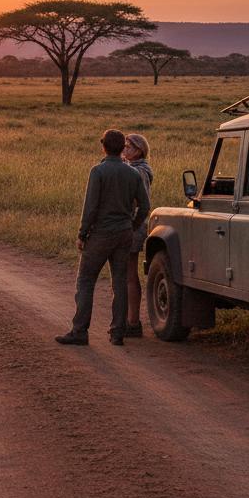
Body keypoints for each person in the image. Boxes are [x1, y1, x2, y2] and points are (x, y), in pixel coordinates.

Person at [56, 129, 151, 347]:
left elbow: (90, 208)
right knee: (120, 282)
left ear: (104, 147)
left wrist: (82, 234)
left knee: (85, 281)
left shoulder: (98, 171)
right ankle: (118, 332)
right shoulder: (133, 173)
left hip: (100, 233)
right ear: (121, 148)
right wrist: (132, 226)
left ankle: (79, 331)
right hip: (124, 234)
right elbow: (145, 206)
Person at [122, 133, 153, 337]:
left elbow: (140, 202)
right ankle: (129, 320)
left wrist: (132, 225)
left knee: (130, 274)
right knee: (127, 273)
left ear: (139, 150)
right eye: (124, 146)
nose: (125, 149)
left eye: (129, 147)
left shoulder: (139, 171)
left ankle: (133, 321)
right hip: (134, 224)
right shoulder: (135, 167)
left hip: (134, 224)